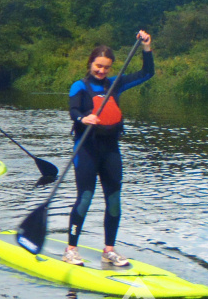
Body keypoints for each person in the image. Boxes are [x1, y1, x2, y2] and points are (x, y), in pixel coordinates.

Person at [63, 31, 153, 267]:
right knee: (85, 198)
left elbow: (147, 73)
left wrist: (147, 48)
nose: (102, 71)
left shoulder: (115, 83)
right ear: (90, 63)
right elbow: (73, 111)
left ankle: (109, 250)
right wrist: (84, 119)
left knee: (114, 200)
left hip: (111, 149)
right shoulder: (79, 86)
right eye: (98, 66)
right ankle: (71, 249)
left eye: (106, 67)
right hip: (86, 149)